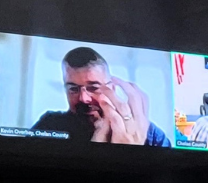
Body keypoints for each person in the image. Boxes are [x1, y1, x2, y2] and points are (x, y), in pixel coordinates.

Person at [31, 47, 172, 146]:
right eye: (73, 89)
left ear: (112, 88)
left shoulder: (147, 133)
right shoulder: (50, 125)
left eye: (93, 87)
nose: (83, 99)